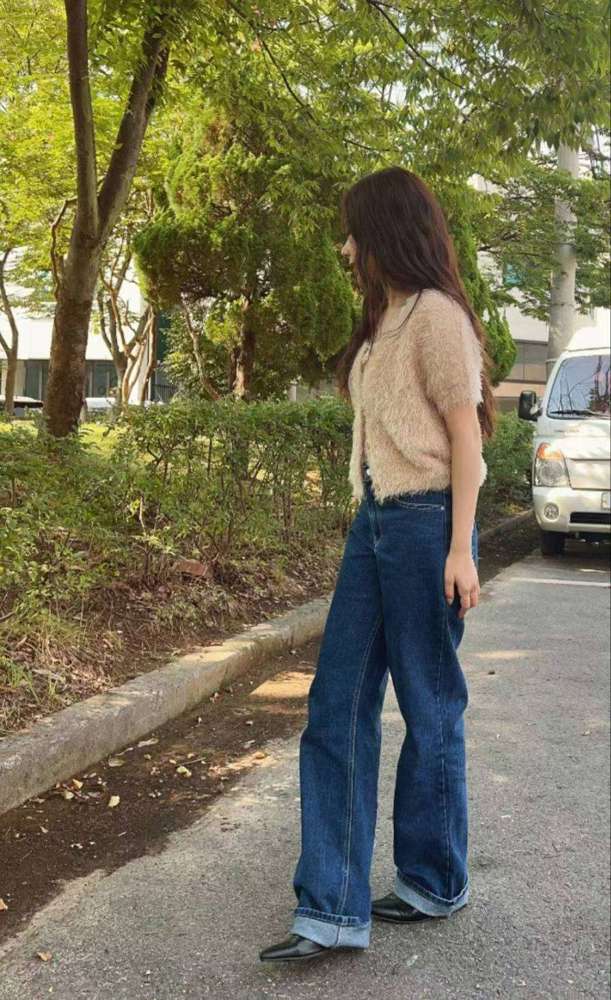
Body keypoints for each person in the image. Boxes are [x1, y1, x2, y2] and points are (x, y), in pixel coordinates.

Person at [259, 165, 497, 963]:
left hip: (427, 526)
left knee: (429, 708)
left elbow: (466, 441)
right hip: (373, 526)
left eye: (352, 232)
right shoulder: (385, 319)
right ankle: (329, 907)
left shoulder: (436, 316)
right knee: (335, 705)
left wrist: (460, 549)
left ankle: (434, 878)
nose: (343, 248)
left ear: (385, 231)